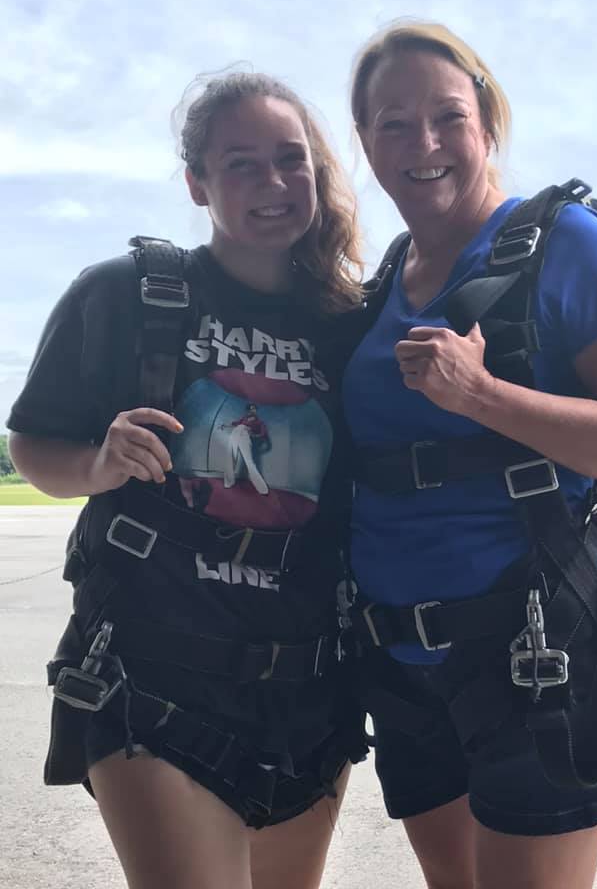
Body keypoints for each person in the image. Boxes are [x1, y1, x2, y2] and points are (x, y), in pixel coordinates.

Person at [342, 21, 597, 889]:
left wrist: (482, 397)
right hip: (404, 663)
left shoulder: (563, 242)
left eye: (447, 116)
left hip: (534, 654)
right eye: (391, 123)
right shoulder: (388, 276)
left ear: (488, 125)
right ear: (366, 145)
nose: (422, 144)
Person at [8, 70, 366, 889]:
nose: (273, 183)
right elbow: (32, 444)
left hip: (307, 684)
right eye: (242, 164)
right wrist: (99, 464)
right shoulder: (128, 295)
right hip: (150, 677)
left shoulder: (349, 325)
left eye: (291, 159)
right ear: (197, 183)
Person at [220, 403, 271, 493]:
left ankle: (263, 489)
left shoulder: (260, 422)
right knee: (230, 457)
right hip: (235, 433)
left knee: (249, 462)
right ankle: (228, 482)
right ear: (248, 411)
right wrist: (225, 426)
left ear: (256, 411)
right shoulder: (244, 419)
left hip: (244, 435)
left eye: (254, 409)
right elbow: (235, 424)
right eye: (250, 409)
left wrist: (253, 435)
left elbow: (263, 434)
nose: (252, 410)